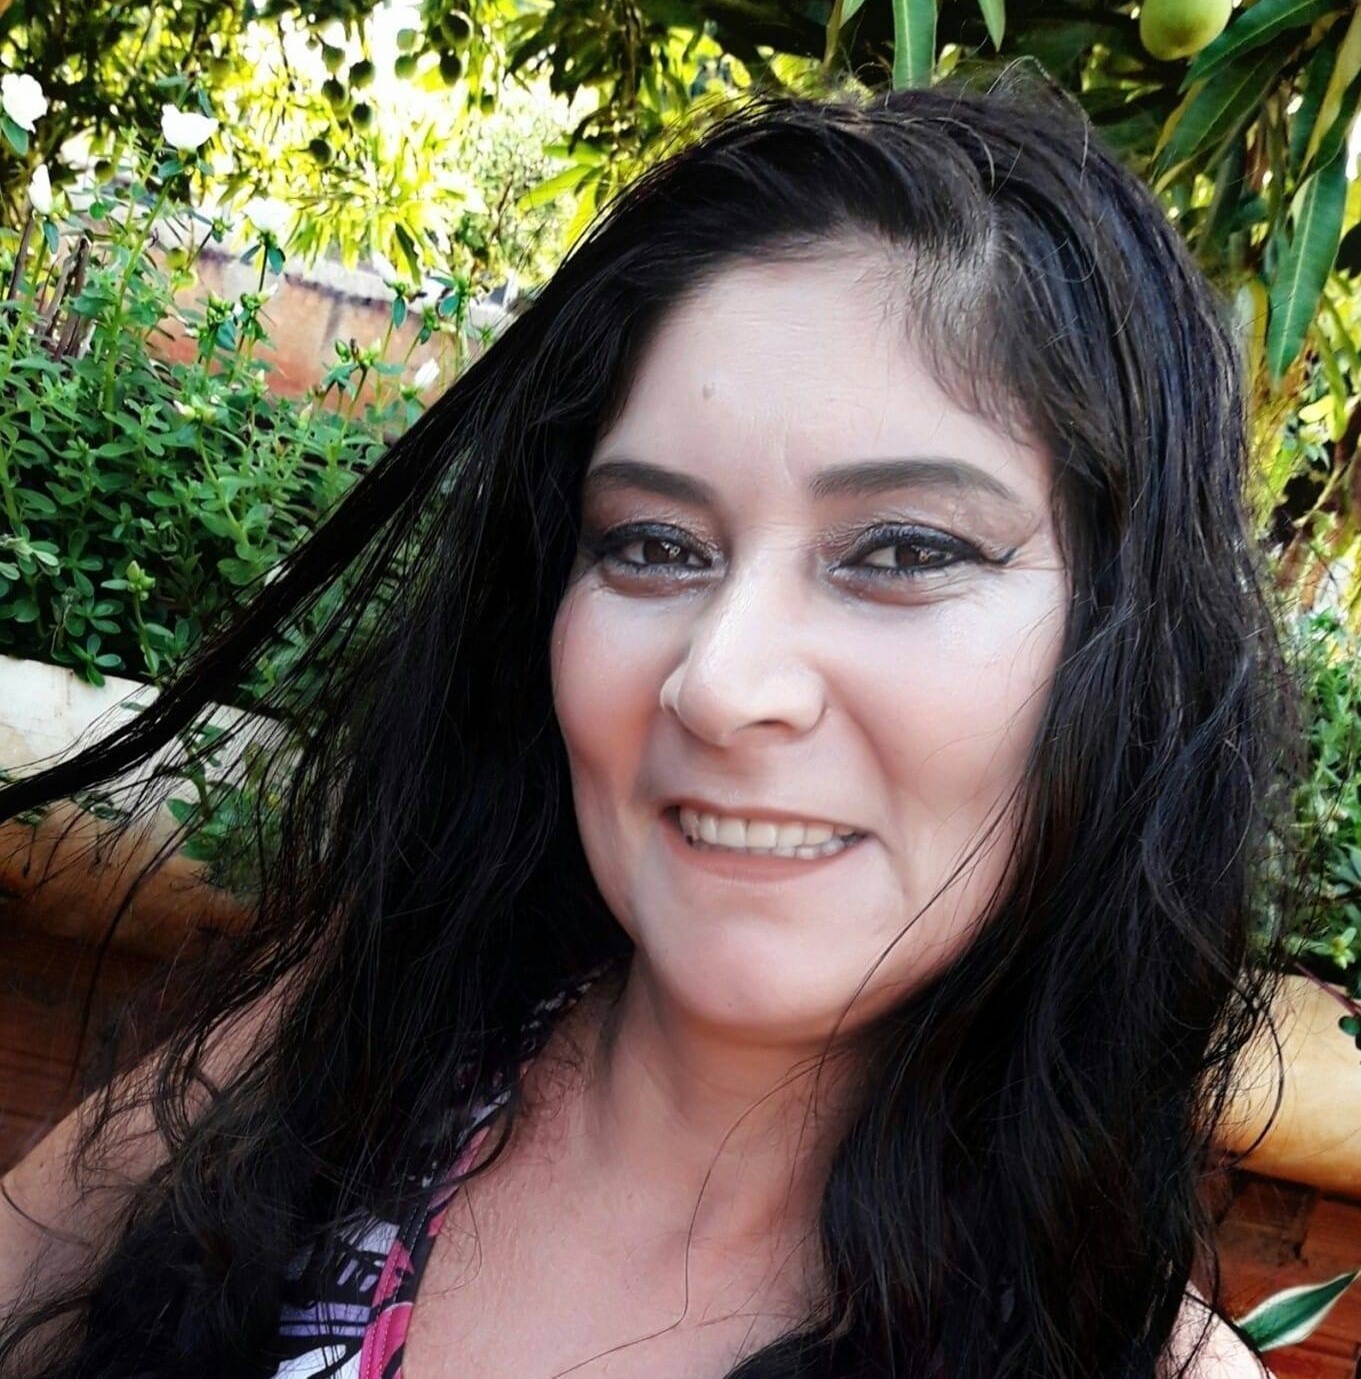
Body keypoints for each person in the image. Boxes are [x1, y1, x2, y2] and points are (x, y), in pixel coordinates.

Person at [0, 72, 1302, 1379]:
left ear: (1122, 652)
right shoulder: (339, 1061)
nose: (718, 682)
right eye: (653, 545)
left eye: (905, 551)